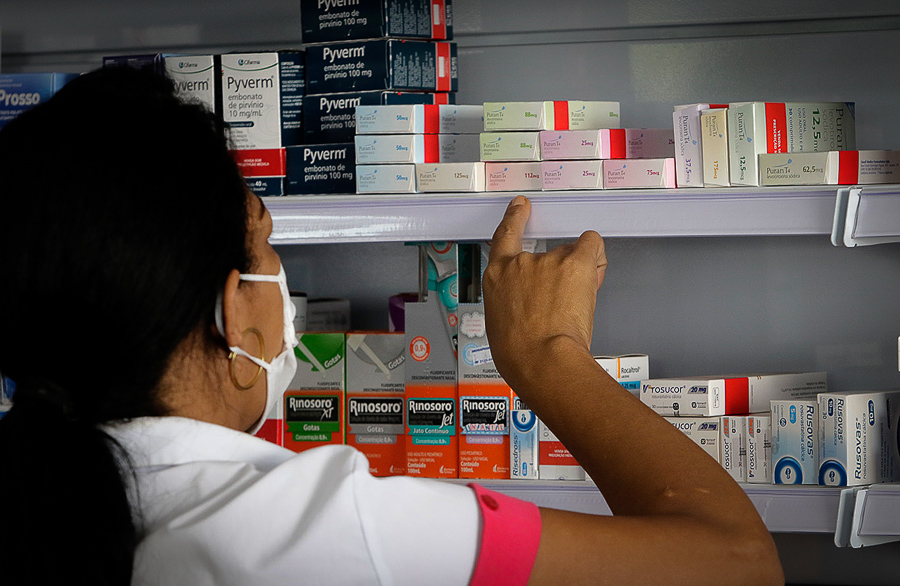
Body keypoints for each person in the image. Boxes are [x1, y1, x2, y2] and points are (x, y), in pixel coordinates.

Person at [0, 66, 783, 585]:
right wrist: (546, 355)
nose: (281, 280)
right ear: (233, 316)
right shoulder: (317, 527)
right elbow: (738, 564)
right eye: (266, 244)